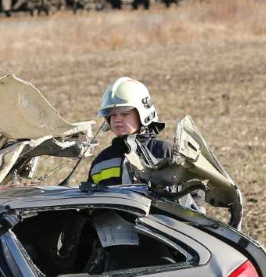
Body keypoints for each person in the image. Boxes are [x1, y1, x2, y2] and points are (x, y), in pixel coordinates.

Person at [86, 77, 203, 210]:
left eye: (125, 114)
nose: (117, 119)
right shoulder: (102, 161)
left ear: (143, 114)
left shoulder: (165, 152)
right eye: (112, 115)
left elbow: (194, 197)